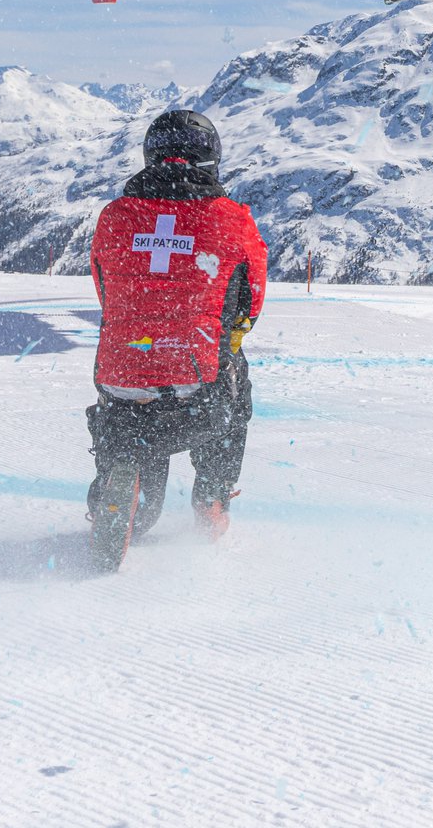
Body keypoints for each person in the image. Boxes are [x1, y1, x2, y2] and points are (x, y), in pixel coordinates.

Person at [86, 109, 267, 567]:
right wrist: (225, 336)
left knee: (139, 500)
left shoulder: (113, 217)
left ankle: (118, 485)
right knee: (230, 382)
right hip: (193, 394)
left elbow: (106, 290)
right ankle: (211, 498)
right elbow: (251, 302)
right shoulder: (232, 220)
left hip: (121, 384)